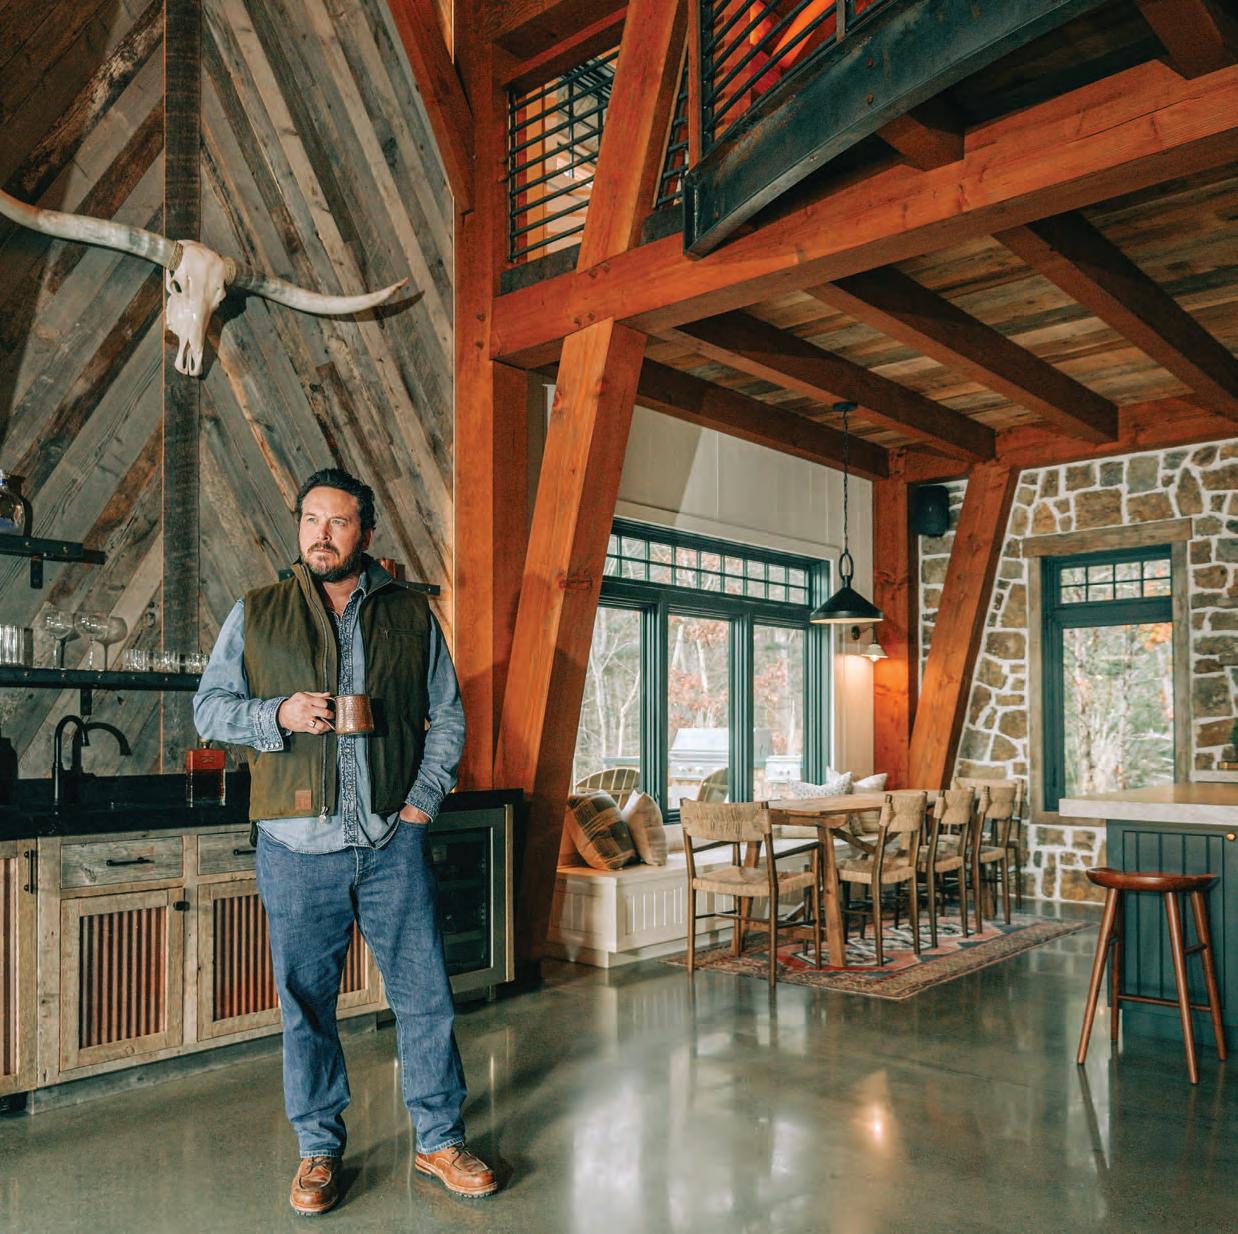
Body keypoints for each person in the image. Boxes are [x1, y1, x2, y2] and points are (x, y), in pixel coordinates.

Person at [193, 467, 497, 1214]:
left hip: (391, 840)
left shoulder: (411, 613)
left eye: (338, 522)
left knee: (426, 997)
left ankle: (439, 1140)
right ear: (299, 526)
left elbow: (447, 715)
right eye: (311, 520)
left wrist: (421, 805)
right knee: (307, 1006)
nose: (321, 535)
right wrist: (278, 714)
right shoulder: (257, 611)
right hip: (295, 847)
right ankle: (318, 1150)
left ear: (364, 532)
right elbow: (209, 709)